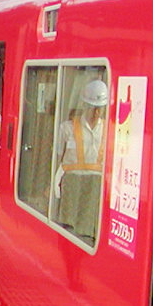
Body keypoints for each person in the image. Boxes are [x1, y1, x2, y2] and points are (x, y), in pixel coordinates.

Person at [52, 78, 108, 240]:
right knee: (68, 231)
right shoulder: (67, 128)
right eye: (94, 108)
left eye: (100, 109)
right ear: (85, 106)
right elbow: (56, 157)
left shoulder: (109, 130)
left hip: (96, 187)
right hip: (72, 185)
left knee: (90, 232)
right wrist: (52, 184)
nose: (97, 113)